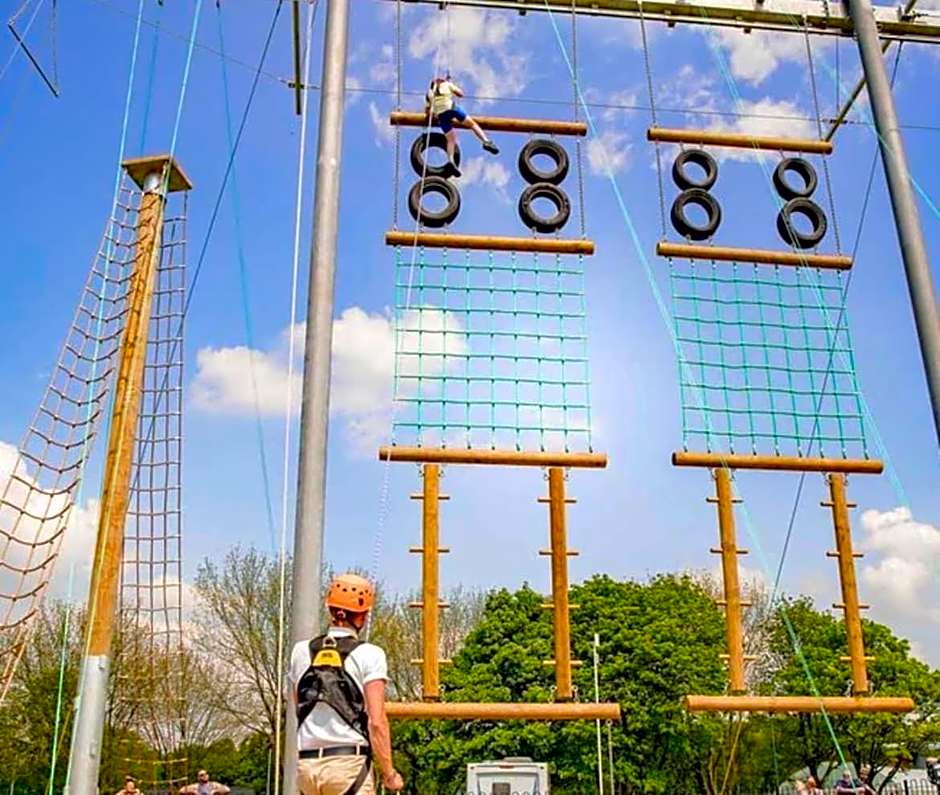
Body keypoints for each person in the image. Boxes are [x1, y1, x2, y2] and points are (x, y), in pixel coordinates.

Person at [288, 573, 404, 794]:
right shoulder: (370, 654)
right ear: (362, 616)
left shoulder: (300, 652)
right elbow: (376, 721)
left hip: (307, 767)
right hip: (348, 765)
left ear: (331, 609)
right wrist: (389, 774)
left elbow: (299, 709)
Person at [425, 75, 499, 178]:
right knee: (472, 124)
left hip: (441, 116)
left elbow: (428, 111)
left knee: (451, 140)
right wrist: (452, 87)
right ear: (441, 81)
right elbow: (461, 94)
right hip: (451, 108)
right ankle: (486, 142)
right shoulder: (447, 84)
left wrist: (433, 114)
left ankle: (451, 160)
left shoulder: (429, 93)